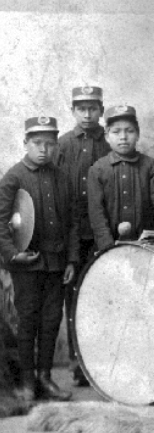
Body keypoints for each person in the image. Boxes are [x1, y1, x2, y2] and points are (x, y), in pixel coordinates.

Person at [0, 117, 78, 401]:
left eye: (49, 143)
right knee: (27, 320)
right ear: (25, 144)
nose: (43, 149)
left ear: (56, 145)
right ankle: (26, 382)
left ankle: (45, 378)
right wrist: (12, 254)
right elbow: (1, 222)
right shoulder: (14, 177)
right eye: (37, 143)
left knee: (50, 320)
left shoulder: (61, 177)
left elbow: (71, 223)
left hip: (55, 264)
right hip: (26, 265)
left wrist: (70, 260)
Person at [57, 85, 111, 386]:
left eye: (93, 108)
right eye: (81, 108)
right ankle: (78, 363)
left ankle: (104, 362)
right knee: (74, 297)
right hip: (72, 233)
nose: (88, 114)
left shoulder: (112, 141)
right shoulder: (62, 145)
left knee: (104, 295)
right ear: (73, 110)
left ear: (101, 110)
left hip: (104, 229)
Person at [88, 105, 154, 251]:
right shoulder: (98, 169)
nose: (123, 137)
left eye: (130, 131)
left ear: (138, 134)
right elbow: (97, 213)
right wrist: (106, 246)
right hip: (110, 245)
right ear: (107, 137)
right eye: (116, 132)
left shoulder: (151, 166)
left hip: (147, 245)